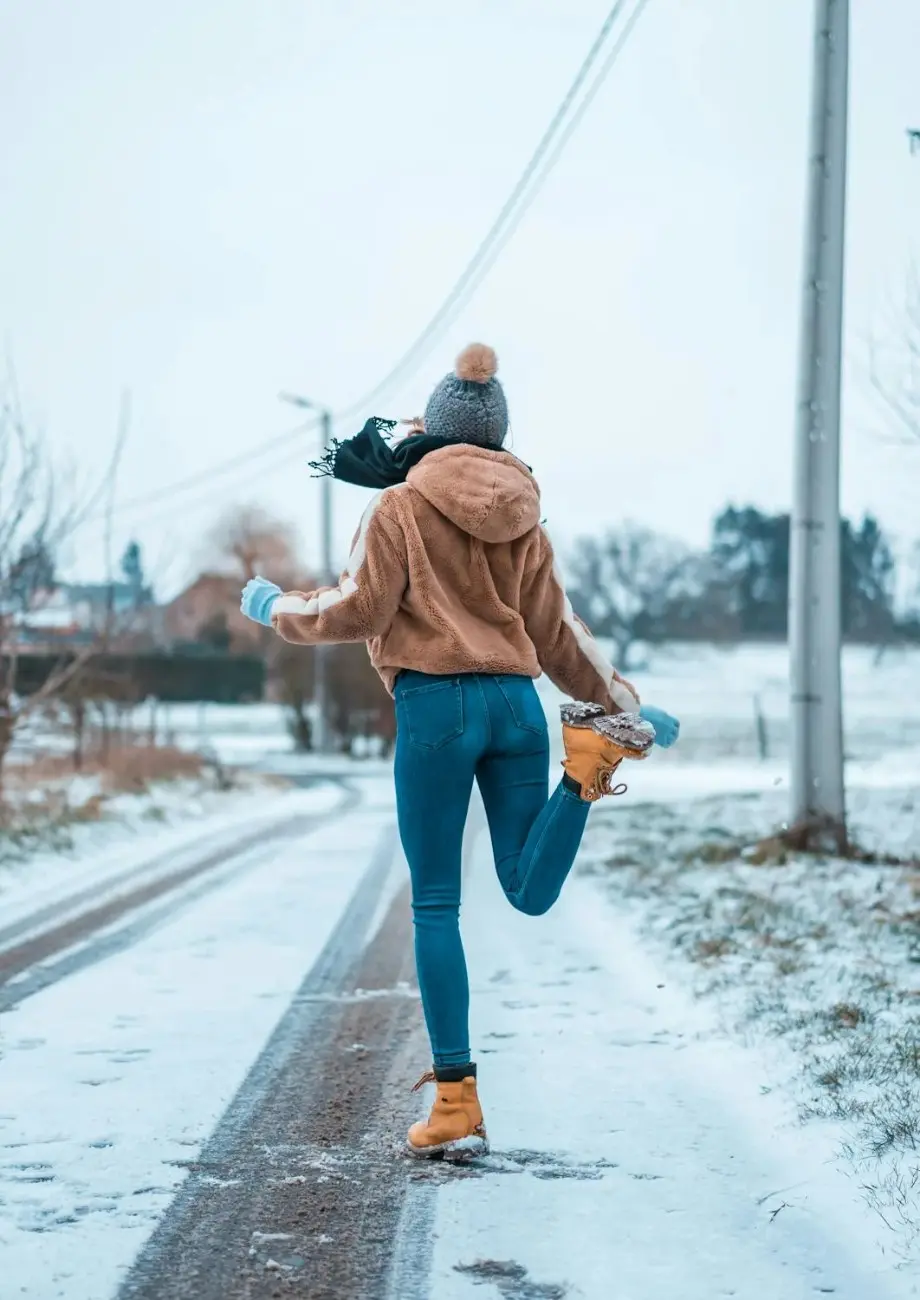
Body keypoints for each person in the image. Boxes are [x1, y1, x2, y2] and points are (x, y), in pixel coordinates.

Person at [240, 343, 679, 1160]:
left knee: (436, 907)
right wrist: (626, 704)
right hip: (517, 707)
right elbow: (559, 634)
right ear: (497, 438)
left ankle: (454, 1105)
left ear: (434, 432)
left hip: (436, 707)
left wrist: (277, 608)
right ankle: (586, 768)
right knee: (526, 889)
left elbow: (357, 607)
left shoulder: (401, 506)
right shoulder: (526, 516)